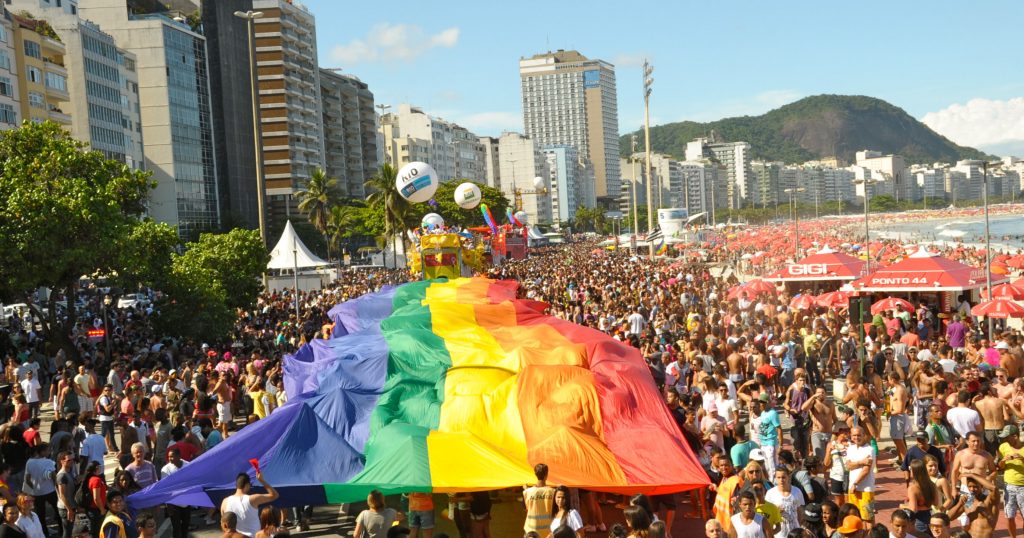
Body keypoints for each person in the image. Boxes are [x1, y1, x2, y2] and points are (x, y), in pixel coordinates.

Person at [220, 472, 279, 538]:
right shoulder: (252, 499)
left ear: (236, 485)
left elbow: (224, 525)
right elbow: (275, 495)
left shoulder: (225, 502)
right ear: (247, 485)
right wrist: (261, 480)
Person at [845, 427, 875, 523]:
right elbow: (848, 466)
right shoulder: (850, 449)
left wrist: (856, 484)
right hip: (852, 489)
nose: (856, 437)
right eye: (854, 435)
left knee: (868, 518)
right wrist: (861, 462)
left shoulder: (869, 450)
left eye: (859, 435)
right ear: (851, 435)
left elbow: (866, 470)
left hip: (866, 489)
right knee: (854, 517)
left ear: (864, 435)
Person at [765, 468, 805, 538]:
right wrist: (775, 511)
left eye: (783, 477)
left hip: (795, 532)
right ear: (775, 478)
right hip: (779, 533)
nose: (781, 480)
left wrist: (798, 526)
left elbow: (800, 511)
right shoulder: (770, 493)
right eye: (778, 477)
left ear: (788, 477)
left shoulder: (797, 491)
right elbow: (766, 514)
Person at [901, 459, 936, 537]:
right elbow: (936, 503)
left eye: (910, 469)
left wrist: (903, 506)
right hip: (929, 516)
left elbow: (913, 509)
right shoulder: (931, 484)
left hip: (918, 520)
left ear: (914, 471)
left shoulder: (913, 488)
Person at [160, 448, 190, 538]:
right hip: (174, 503)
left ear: (179, 456)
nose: (169, 459)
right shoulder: (165, 469)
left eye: (172, 456)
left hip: (187, 502)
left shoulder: (188, 465)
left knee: (185, 525)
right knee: (176, 528)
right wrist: (168, 505)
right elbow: (165, 488)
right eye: (169, 457)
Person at [523, 463, 555, 534]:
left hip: (531, 530)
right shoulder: (553, 492)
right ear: (546, 475)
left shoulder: (527, 492)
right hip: (548, 532)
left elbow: (526, 510)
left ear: (535, 474)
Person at [54, 452, 76, 538]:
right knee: (67, 533)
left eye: (73, 459)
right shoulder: (62, 475)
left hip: (70, 506)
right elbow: (62, 495)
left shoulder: (70, 471)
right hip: (65, 508)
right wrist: (69, 510)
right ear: (62, 461)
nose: (72, 462)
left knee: (70, 531)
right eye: (69, 460)